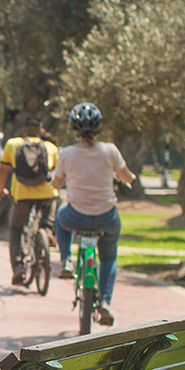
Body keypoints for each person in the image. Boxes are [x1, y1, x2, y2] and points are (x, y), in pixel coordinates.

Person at [50, 103, 136, 325]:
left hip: (75, 216)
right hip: (106, 217)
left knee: (60, 214)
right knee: (108, 256)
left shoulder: (67, 153)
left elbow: (56, 184)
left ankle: (66, 259)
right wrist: (130, 179)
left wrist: (59, 181)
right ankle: (105, 302)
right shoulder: (110, 150)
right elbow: (126, 177)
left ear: (73, 129)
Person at [0, 115, 59, 284]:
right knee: (47, 222)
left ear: (24, 131)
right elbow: (57, 172)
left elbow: (4, 169)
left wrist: (0, 189)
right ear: (41, 132)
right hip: (47, 194)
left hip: (22, 195)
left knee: (17, 229)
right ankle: (46, 236)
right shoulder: (50, 148)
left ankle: (18, 267)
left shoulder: (13, 144)